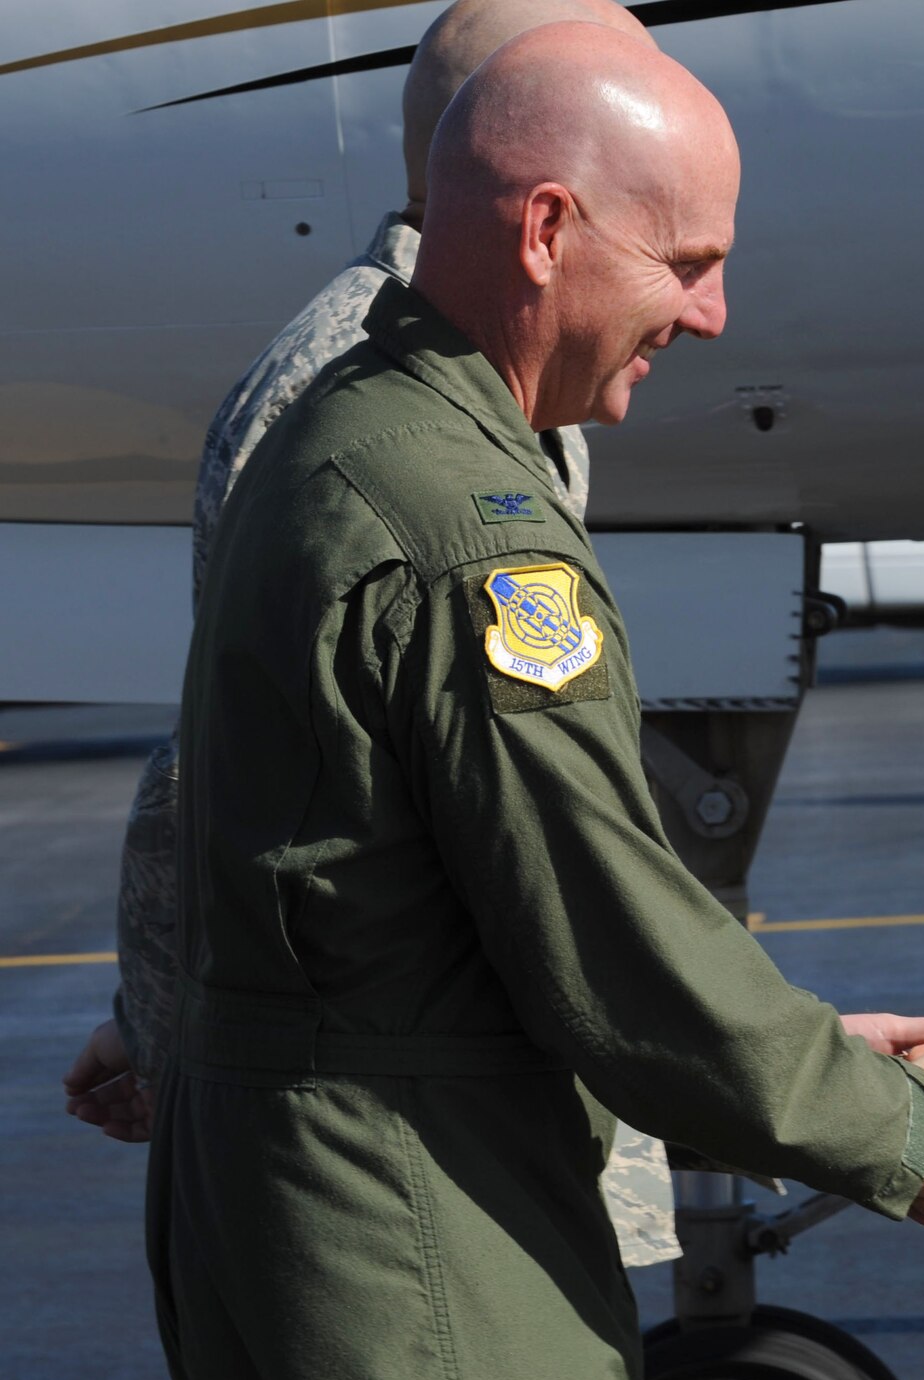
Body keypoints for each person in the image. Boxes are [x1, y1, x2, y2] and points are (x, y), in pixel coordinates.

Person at [145, 23, 924, 1380]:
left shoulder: (349, 425)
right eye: (685, 262)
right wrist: (896, 1126)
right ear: (547, 229)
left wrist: (802, 1044)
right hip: (415, 1228)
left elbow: (421, 908)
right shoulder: (470, 531)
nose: (713, 315)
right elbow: (602, 927)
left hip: (300, 1198)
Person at [60, 0, 702, 1270]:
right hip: (406, 1128)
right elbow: (234, 759)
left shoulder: (463, 350)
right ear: (519, 158)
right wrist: (161, 1013)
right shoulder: (360, 386)